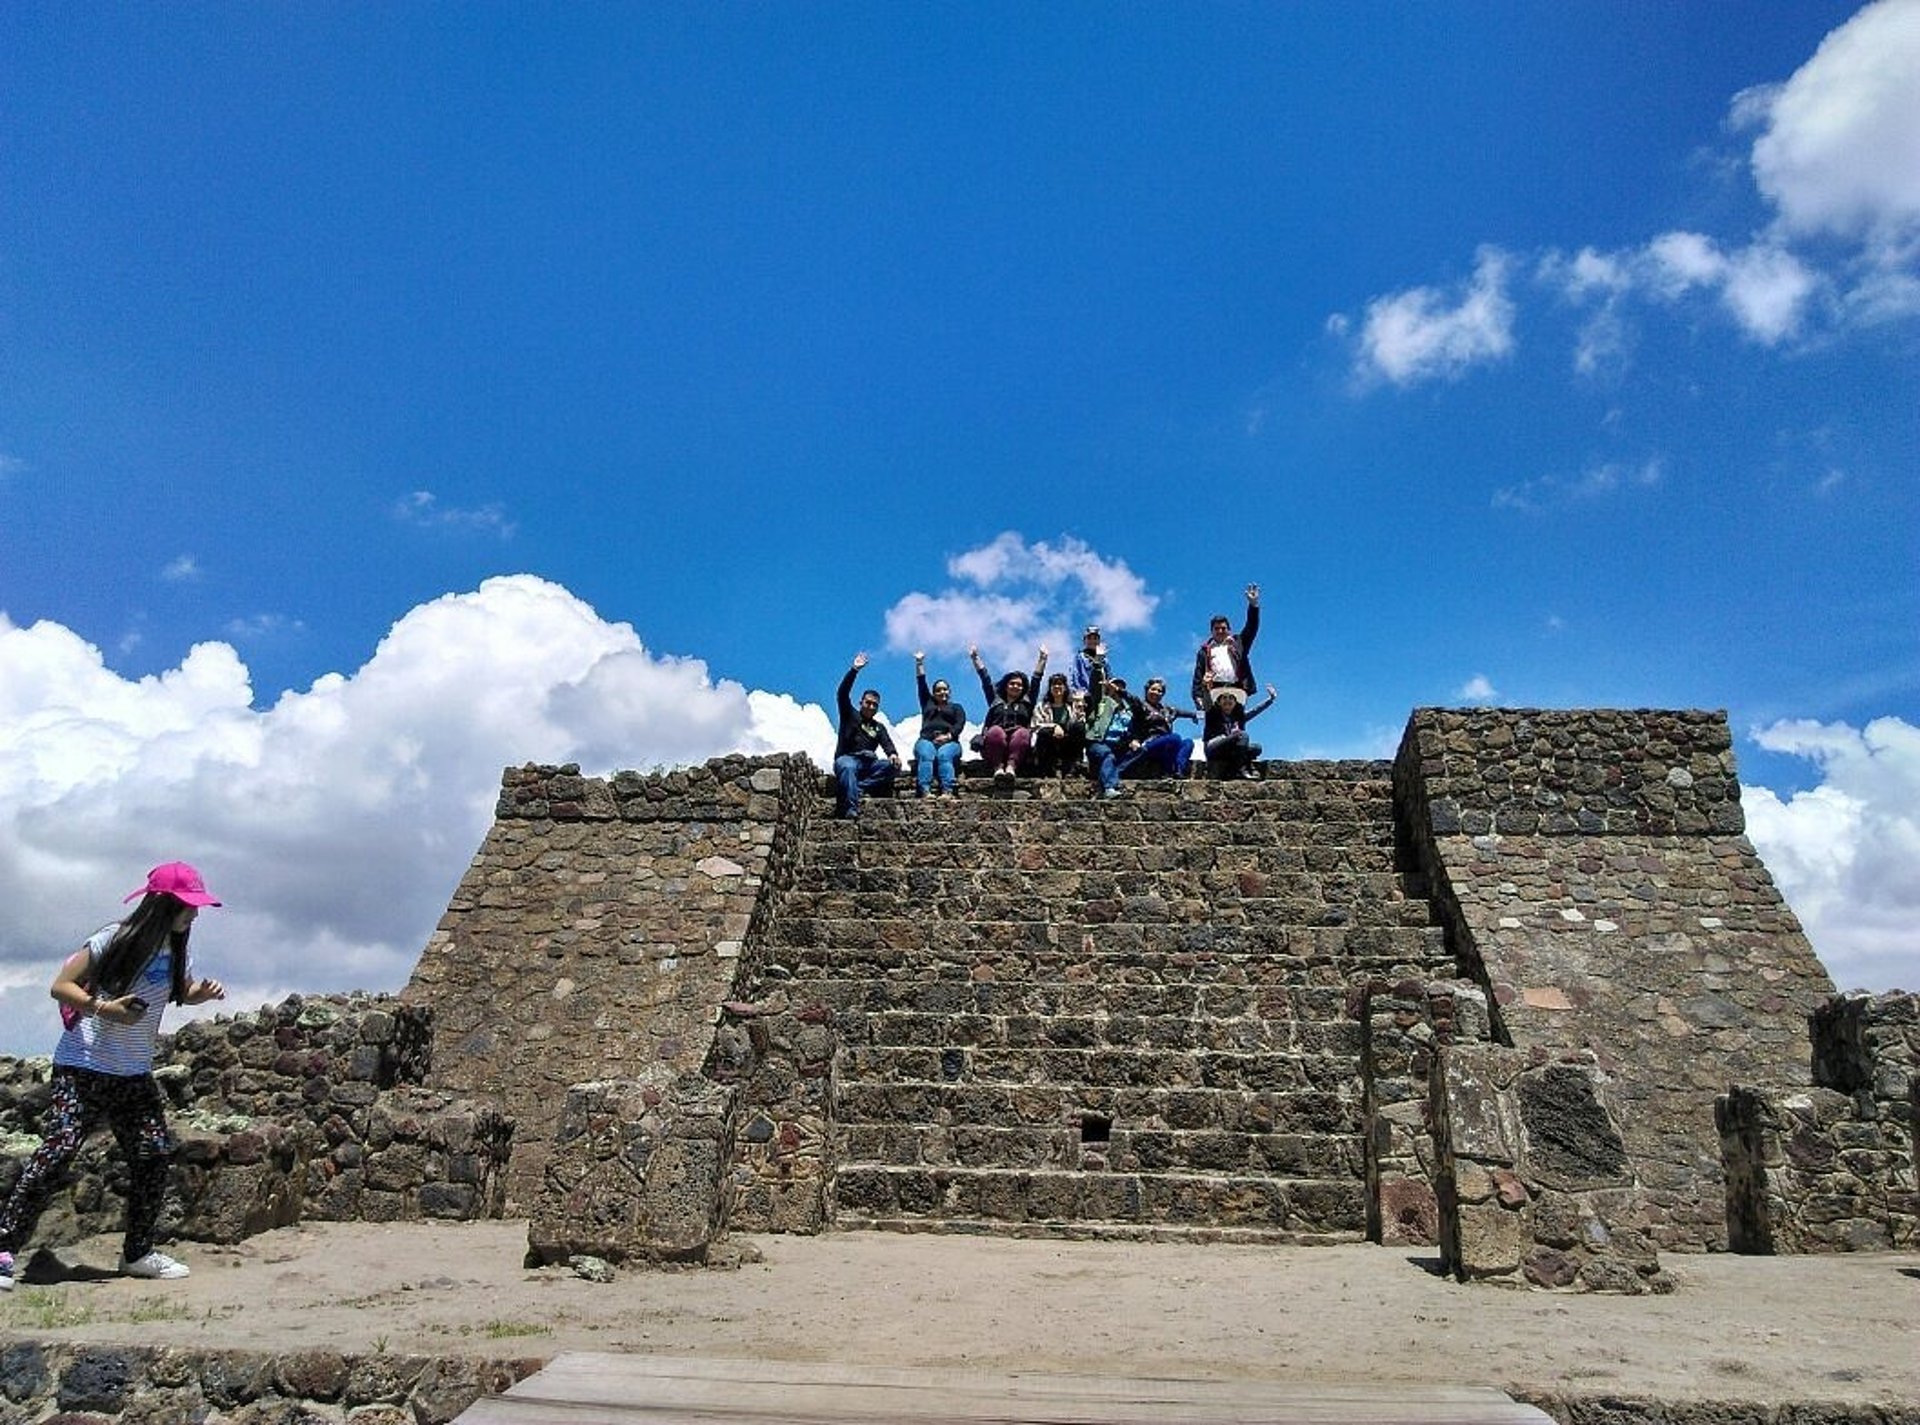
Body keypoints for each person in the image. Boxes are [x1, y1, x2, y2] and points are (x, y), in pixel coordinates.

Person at [0, 863, 227, 1292]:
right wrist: (107, 1010)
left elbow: (180, 992)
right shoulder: (112, 939)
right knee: (59, 1151)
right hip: (82, 1066)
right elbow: (61, 985)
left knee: (154, 1155)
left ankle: (137, 1253)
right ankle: (4, 1250)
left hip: (133, 1073)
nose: (194, 916)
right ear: (162, 905)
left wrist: (202, 993)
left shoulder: (177, 951)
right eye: (188, 907)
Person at [832, 652, 901, 819]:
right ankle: (850, 809)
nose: (871, 706)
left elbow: (887, 744)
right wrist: (854, 670)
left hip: (869, 764)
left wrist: (893, 755)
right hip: (847, 759)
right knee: (848, 768)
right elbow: (842, 693)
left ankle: (856, 787)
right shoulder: (849, 714)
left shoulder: (879, 727)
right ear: (860, 702)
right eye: (868, 702)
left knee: (893, 766)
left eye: (874, 705)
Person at [970, 644, 1047, 785]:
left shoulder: (1027, 702)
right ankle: (998, 768)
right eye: (1012, 683)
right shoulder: (995, 699)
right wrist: (975, 658)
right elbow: (985, 679)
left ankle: (1011, 767)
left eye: (1019, 685)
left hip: (1018, 746)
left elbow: (1036, 679)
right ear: (1006, 685)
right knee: (995, 731)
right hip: (995, 745)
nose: (1015, 687)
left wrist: (1042, 659)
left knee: (1023, 732)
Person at [1191, 583, 1261, 709]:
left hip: (1236, 688)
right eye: (1216, 629)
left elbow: (1251, 627)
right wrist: (1197, 696)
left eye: (1223, 628)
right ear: (1211, 631)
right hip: (1214, 689)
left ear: (1229, 629)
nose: (1220, 631)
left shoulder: (1238, 642)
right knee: (1214, 724)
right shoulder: (1204, 650)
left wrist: (1253, 605)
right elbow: (1198, 674)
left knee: (1236, 724)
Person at [1116, 676, 1198, 780]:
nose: (1156, 692)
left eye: (1160, 691)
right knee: (1175, 737)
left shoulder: (1168, 710)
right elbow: (1131, 698)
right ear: (1147, 690)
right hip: (1151, 743)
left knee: (1188, 742)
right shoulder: (1142, 706)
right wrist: (1118, 690)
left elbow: (1186, 713)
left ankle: (1178, 771)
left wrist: (1195, 716)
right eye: (1153, 689)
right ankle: (1139, 762)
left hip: (1168, 745)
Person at [911, 652, 967, 798]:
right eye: (938, 690)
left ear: (949, 691)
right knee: (926, 754)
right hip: (927, 740)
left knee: (944, 755)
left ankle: (947, 790)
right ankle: (925, 790)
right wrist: (919, 662)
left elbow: (959, 724)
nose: (942, 692)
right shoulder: (927, 703)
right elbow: (921, 683)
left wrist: (947, 737)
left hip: (950, 742)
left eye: (945, 689)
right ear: (933, 693)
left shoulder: (956, 708)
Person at [1203, 683, 1277, 779]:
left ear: (1235, 702)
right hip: (1214, 747)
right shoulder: (1212, 714)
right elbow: (1207, 703)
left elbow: (1255, 710)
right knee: (1242, 735)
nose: (1227, 700)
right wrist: (1205, 688)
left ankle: (1233, 768)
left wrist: (1270, 699)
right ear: (1219, 702)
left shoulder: (1239, 717)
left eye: (1231, 698)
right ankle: (1241, 769)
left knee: (1256, 748)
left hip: (1229, 749)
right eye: (1224, 698)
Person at [1030, 672, 1087, 779]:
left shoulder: (1072, 707)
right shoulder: (1041, 706)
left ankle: (1073, 767)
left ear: (1065, 688)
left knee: (1079, 727)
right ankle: (1047, 770)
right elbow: (1035, 726)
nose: (1057, 687)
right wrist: (1054, 726)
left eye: (1060, 684)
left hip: (1067, 744)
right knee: (1044, 732)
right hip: (1049, 744)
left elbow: (1080, 724)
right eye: (1054, 684)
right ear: (1050, 688)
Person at [1069, 625, 1105, 695]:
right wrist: (1078, 692)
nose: (1092, 641)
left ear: (1099, 641)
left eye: (1095, 638)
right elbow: (1074, 676)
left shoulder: (1104, 660)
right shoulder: (1079, 657)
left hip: (1102, 696)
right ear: (1084, 641)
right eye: (1089, 638)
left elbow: (1109, 676)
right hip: (1085, 695)